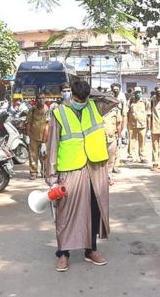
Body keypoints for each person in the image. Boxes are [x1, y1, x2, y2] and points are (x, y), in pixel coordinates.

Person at [45, 80, 114, 272]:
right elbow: (52, 145)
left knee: (93, 209)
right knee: (65, 212)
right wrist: (52, 178)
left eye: (83, 99)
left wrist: (91, 92)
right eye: (76, 98)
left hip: (95, 167)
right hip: (70, 168)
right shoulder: (58, 112)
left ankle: (90, 250)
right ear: (70, 94)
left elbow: (113, 100)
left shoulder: (95, 106)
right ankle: (63, 253)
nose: (80, 102)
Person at [26, 96, 49, 180]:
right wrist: (28, 136)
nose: (41, 100)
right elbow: (28, 123)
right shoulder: (32, 110)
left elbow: (47, 125)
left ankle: (45, 172)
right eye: (39, 98)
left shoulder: (48, 110)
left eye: (43, 98)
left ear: (45, 99)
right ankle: (33, 172)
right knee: (33, 155)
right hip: (33, 137)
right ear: (36, 100)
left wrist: (44, 142)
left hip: (45, 137)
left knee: (44, 155)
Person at [103, 91, 123, 178]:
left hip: (112, 137)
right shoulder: (100, 110)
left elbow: (118, 124)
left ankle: (109, 174)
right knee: (103, 158)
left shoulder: (115, 110)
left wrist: (120, 136)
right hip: (101, 138)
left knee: (111, 157)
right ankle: (102, 175)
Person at [128, 86, 149, 163]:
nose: (138, 94)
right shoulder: (130, 102)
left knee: (142, 141)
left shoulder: (145, 102)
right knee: (131, 140)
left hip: (142, 125)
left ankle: (142, 156)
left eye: (139, 92)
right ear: (134, 93)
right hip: (132, 125)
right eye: (136, 92)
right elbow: (127, 113)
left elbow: (148, 113)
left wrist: (149, 128)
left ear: (141, 93)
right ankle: (131, 156)